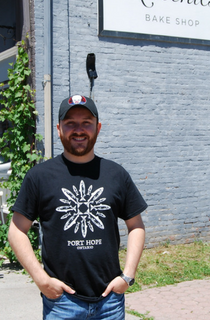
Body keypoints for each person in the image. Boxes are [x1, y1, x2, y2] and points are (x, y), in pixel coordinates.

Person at [8, 94, 148, 319]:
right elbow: (16, 231)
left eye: (86, 123)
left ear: (98, 128)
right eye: (70, 123)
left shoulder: (116, 174)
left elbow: (136, 226)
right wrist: (41, 279)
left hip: (109, 302)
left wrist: (128, 276)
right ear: (59, 129)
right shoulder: (39, 177)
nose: (79, 129)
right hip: (62, 303)